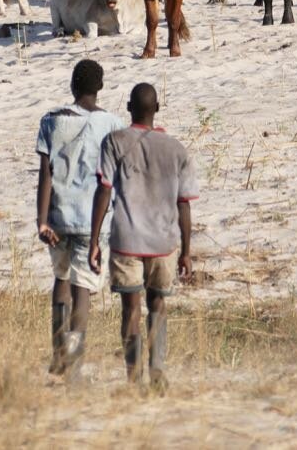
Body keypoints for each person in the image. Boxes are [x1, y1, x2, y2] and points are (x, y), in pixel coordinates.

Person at [90, 83, 198, 390]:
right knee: (159, 305)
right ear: (158, 109)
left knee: (131, 308)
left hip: (127, 239)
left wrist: (94, 240)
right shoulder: (176, 149)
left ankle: (133, 376)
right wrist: (187, 251)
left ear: (128, 107)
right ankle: (158, 370)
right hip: (164, 241)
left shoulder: (114, 142)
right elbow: (184, 203)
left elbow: (104, 190)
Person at [35, 59, 126, 377]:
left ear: (73, 86)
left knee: (60, 280)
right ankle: (75, 354)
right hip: (93, 219)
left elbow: (45, 174)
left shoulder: (51, 120)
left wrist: (41, 220)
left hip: (57, 215)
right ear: (99, 88)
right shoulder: (113, 124)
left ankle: (58, 352)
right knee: (82, 287)